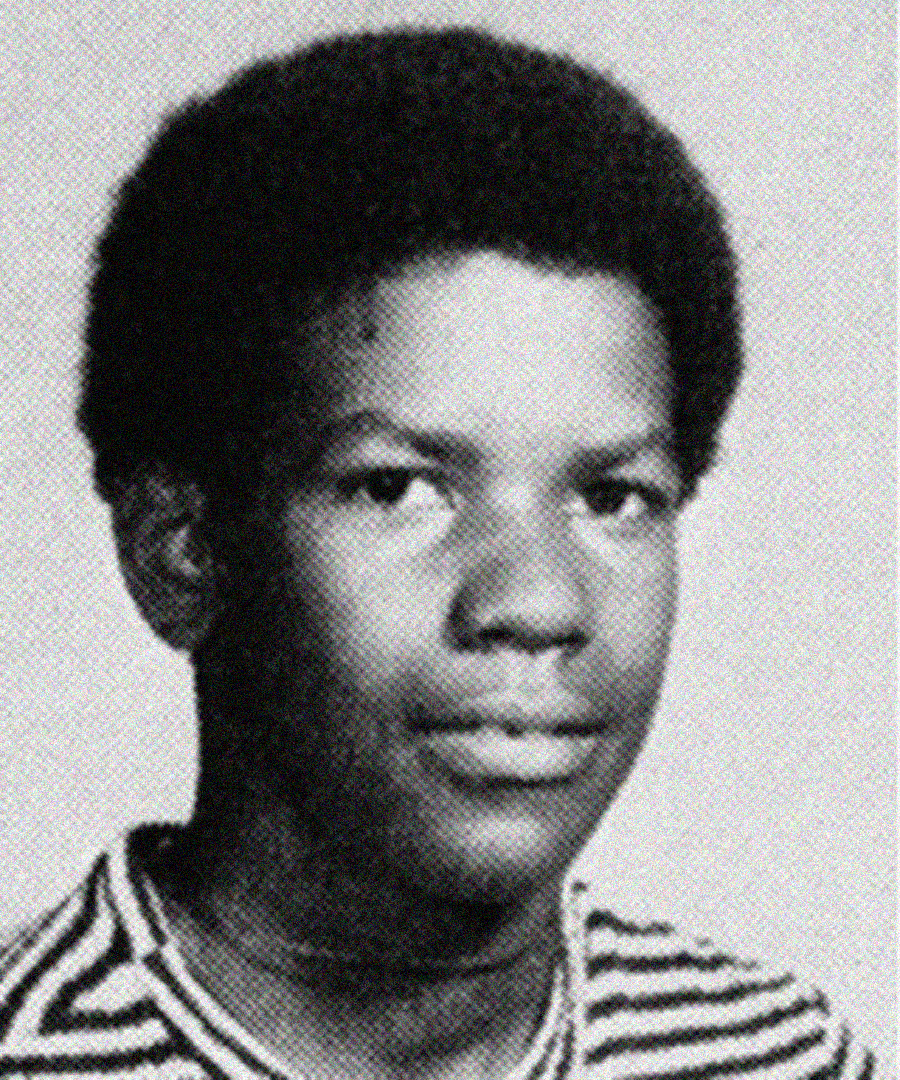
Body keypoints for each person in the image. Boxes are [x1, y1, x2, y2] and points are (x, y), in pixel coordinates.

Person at [0, 25, 873, 1080]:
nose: (538, 601)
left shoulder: (775, 1056)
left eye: (612, 496)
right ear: (180, 551)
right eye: (398, 488)